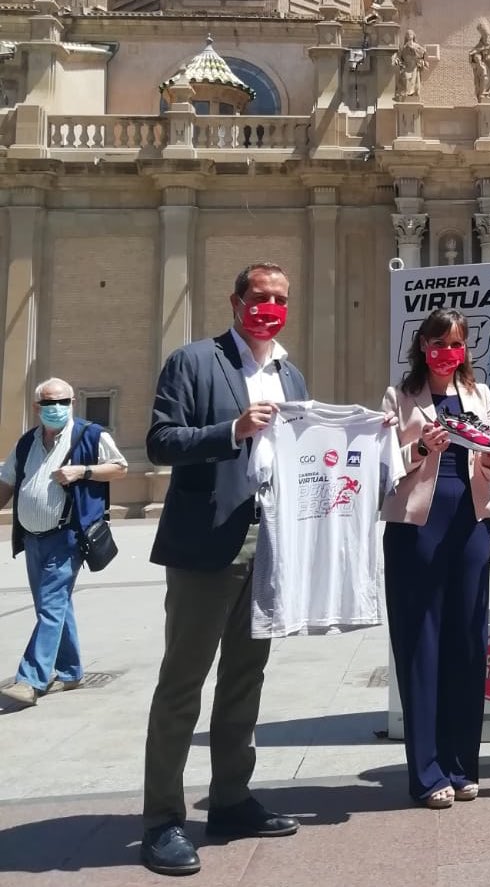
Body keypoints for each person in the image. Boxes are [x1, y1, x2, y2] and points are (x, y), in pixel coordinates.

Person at [141, 263, 309, 877]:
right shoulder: (194, 361)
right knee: (183, 684)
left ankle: (231, 799)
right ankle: (161, 818)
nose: (270, 307)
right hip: (205, 543)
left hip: (267, 544)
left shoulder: (289, 373)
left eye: (280, 298)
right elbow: (160, 441)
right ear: (236, 301)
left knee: (245, 678)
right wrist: (230, 430)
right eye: (260, 297)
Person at [381, 309, 490, 808]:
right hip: (417, 525)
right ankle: (426, 771)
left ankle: (461, 764)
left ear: (465, 348)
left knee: (467, 641)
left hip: (472, 521)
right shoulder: (399, 396)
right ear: (422, 345)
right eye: (438, 344)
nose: (447, 352)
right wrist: (421, 450)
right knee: (422, 644)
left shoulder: (481, 395)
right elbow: (386, 462)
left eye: (456, 344)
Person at [0, 378, 127, 711]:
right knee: (53, 605)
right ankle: (70, 672)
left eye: (62, 401)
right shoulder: (27, 442)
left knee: (52, 604)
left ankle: (31, 679)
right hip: (32, 537)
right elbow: (8, 481)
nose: (55, 408)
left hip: (68, 535)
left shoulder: (90, 434)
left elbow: (119, 468)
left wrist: (82, 471)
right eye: (48, 403)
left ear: (72, 402)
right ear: (36, 407)